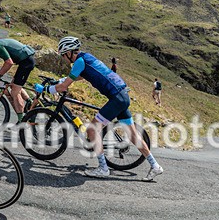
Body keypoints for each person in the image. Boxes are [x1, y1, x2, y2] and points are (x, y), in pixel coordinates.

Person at [50, 36, 163, 181]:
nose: (63, 58)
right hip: (122, 96)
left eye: (63, 55)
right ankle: (155, 166)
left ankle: (103, 168)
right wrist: (61, 80)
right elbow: (80, 76)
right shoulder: (86, 57)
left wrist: (47, 88)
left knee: (91, 129)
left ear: (68, 52)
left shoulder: (79, 62)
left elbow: (64, 87)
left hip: (116, 98)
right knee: (133, 135)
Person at [0, 30, 35, 122]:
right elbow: (9, 62)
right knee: (13, 84)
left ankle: (21, 121)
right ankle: (30, 102)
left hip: (26, 62)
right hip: (25, 61)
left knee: (15, 92)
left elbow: (9, 63)